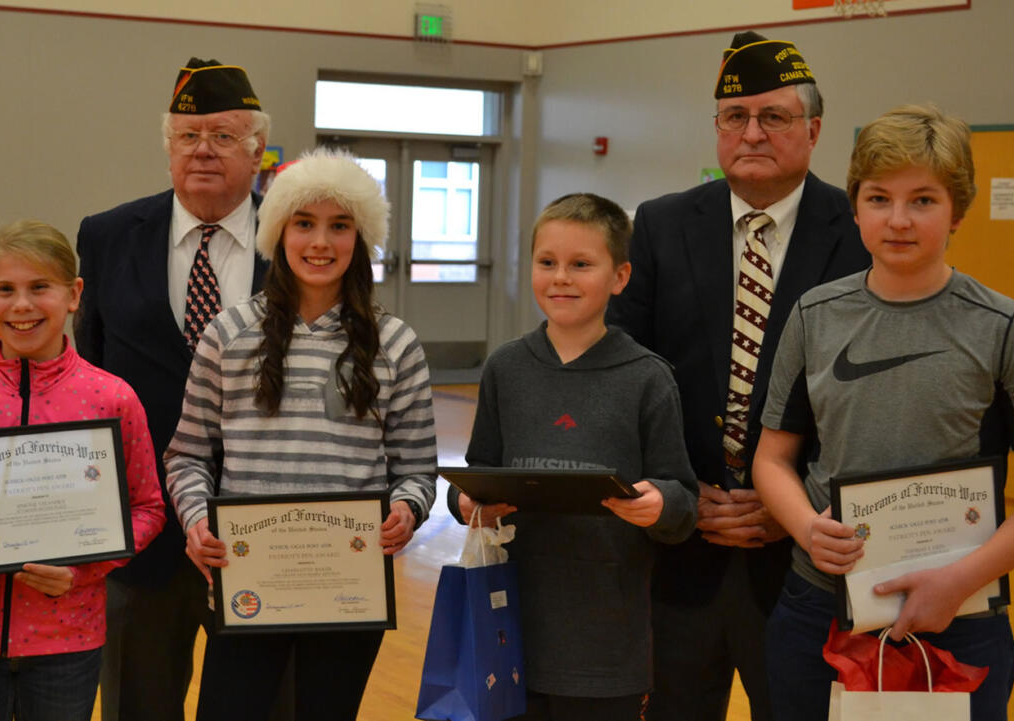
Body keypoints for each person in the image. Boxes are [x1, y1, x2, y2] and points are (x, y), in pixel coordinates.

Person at [753, 105, 1014, 721]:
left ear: (958, 211)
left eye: (923, 200)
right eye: (878, 198)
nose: (898, 220)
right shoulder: (815, 315)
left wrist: (960, 580)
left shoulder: (1004, 326)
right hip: (821, 607)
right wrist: (807, 528)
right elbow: (773, 459)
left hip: (960, 615)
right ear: (855, 204)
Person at [606, 31, 870, 721]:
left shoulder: (858, 231)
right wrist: (682, 489)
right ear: (717, 129)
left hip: (805, 564)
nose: (751, 132)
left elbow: (866, 399)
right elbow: (626, 375)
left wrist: (791, 508)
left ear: (813, 130)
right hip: (679, 553)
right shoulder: (660, 226)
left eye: (774, 117)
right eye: (734, 117)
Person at [166, 148, 438, 721]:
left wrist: (406, 512)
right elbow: (187, 456)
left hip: (349, 589)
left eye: (340, 226)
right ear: (278, 234)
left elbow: (416, 468)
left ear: (360, 239)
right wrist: (195, 521)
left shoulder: (396, 343)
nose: (321, 242)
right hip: (247, 584)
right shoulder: (228, 334)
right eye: (304, 224)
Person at [0, 220, 166, 721]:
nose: (22, 305)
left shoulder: (111, 397)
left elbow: (148, 507)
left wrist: (85, 569)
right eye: (5, 289)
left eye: (39, 287)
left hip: (68, 637)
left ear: (74, 295)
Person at [447, 193, 699, 720]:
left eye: (581, 264)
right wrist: (469, 501)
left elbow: (681, 498)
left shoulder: (647, 377)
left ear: (620, 276)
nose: (561, 277)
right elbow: (473, 480)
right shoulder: (506, 368)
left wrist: (661, 504)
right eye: (548, 263)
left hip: (606, 642)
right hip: (508, 628)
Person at [74, 58, 271, 721]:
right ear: (168, 150)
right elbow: (91, 368)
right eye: (188, 136)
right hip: (142, 538)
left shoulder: (303, 239)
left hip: (263, 531)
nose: (203, 149)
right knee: (135, 705)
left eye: (222, 134)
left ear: (258, 150)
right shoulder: (107, 236)